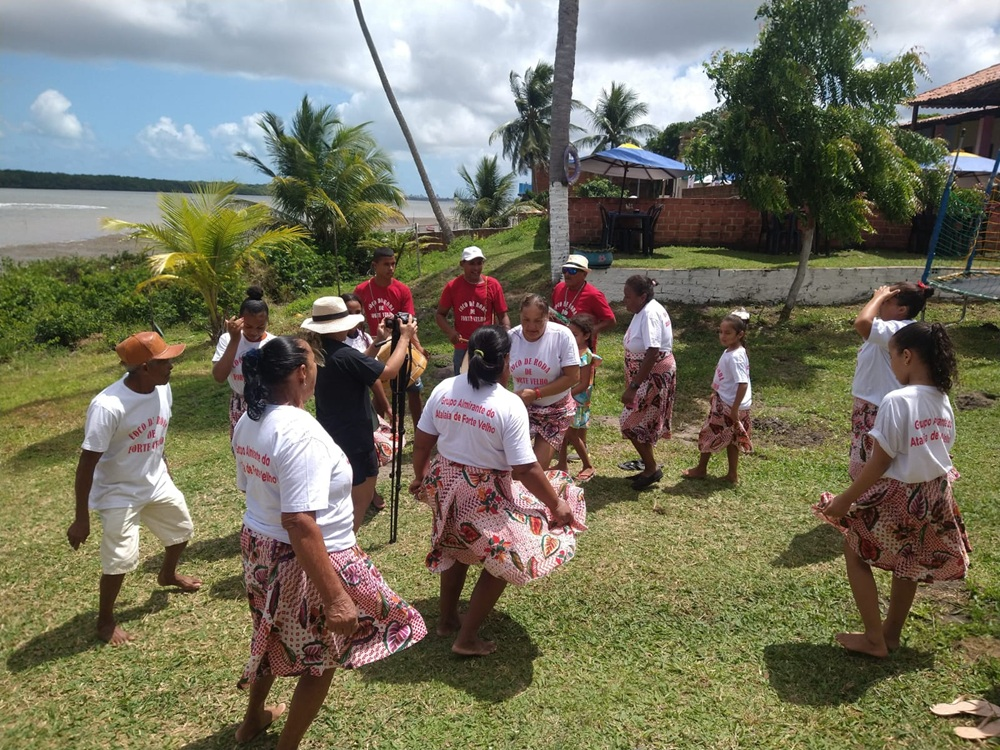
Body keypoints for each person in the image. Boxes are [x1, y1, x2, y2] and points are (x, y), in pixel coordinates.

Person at [233, 336, 426, 747]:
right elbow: (300, 522)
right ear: (302, 373)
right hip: (308, 554)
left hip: (260, 548)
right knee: (321, 659)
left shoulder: (250, 420)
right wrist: (337, 597)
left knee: (270, 632)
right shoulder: (300, 433)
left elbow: (251, 487)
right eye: (314, 362)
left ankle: (252, 720)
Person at [410, 325, 586, 656]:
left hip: (446, 484)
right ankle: (466, 639)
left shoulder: (444, 389)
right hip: (483, 492)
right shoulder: (507, 405)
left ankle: (447, 620)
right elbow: (526, 469)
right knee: (508, 555)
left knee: (454, 546)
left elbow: (422, 444)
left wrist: (421, 478)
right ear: (506, 361)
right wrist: (557, 505)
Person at [812, 322, 969, 658]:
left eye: (892, 356)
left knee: (855, 549)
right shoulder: (941, 399)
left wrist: (845, 500)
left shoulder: (897, 400)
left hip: (901, 494)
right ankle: (891, 634)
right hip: (936, 493)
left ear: (907, 356)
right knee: (908, 561)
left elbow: (881, 462)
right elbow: (945, 445)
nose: (892, 363)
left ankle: (873, 638)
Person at [66, 331, 201, 646]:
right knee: (120, 561)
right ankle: (105, 620)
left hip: (154, 481)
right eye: (164, 360)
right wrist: (81, 518)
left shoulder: (161, 388)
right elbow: (86, 464)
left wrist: (161, 459)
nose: (172, 365)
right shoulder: (108, 406)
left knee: (182, 530)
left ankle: (168, 575)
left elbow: (156, 429)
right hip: (118, 493)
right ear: (143, 366)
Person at [302, 296, 418, 530]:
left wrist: (378, 342)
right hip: (354, 431)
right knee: (363, 485)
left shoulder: (321, 351)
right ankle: (348, 538)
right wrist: (405, 338)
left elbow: (359, 364)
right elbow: (388, 372)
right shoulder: (344, 354)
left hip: (331, 427)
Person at [849, 283, 933, 479]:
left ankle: (867, 500)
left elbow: (862, 323)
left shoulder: (899, 329)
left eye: (886, 301)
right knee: (871, 460)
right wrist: (881, 299)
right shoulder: (890, 328)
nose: (880, 304)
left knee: (874, 464)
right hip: (872, 406)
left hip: (879, 408)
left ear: (901, 310)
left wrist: (875, 297)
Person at [353, 246, 426, 428]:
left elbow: (410, 322)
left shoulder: (402, 290)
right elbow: (356, 319)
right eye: (386, 264)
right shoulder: (362, 290)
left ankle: (420, 431)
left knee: (414, 389)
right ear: (374, 265)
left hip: (402, 344)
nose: (391, 268)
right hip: (377, 345)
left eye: (393, 264)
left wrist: (418, 346)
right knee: (380, 392)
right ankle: (378, 433)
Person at [508, 294, 581, 468]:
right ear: (519, 316)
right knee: (512, 466)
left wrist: (536, 394)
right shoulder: (512, 337)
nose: (531, 327)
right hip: (522, 409)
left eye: (538, 321)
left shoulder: (561, 336)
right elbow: (500, 372)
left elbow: (573, 377)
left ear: (547, 317)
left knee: (535, 468)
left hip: (555, 410)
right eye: (526, 320)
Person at [682, 309, 753, 483]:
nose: (723, 336)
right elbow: (727, 378)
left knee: (708, 433)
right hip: (735, 403)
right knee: (734, 439)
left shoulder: (734, 356)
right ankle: (732, 474)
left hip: (729, 406)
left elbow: (742, 383)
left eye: (728, 333)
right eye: (720, 332)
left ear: (740, 334)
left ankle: (701, 469)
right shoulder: (735, 351)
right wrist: (716, 392)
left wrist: (734, 409)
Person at [619, 275, 676, 490]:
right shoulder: (644, 310)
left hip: (652, 376)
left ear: (642, 296)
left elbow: (653, 351)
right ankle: (648, 467)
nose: (625, 300)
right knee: (641, 422)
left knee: (629, 421)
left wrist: (634, 387)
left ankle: (651, 468)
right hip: (647, 375)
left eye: (628, 297)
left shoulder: (650, 314)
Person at [435, 246, 510, 375]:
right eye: (471, 264)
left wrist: (506, 335)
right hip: (463, 347)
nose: (476, 268)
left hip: (487, 345)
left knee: (489, 385)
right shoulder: (453, 287)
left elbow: (502, 315)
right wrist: (450, 332)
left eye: (479, 263)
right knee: (462, 386)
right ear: (462, 264)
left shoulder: (492, 285)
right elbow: (440, 315)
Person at [211, 286, 274, 437]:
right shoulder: (227, 340)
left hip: (267, 402)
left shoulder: (273, 343)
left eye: (260, 327)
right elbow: (219, 376)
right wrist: (235, 340)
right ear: (240, 320)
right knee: (243, 451)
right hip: (239, 403)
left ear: (267, 321)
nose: (253, 332)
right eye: (248, 326)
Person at [555, 314, 602, 482]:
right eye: (570, 333)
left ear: (586, 336)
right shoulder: (569, 352)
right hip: (567, 398)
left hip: (577, 401)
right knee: (562, 433)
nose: (571, 338)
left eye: (575, 334)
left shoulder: (586, 356)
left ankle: (587, 465)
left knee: (572, 435)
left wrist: (565, 393)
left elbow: (583, 384)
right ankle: (561, 465)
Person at [550, 254, 616, 350]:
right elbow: (554, 310)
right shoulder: (558, 288)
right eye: (565, 270)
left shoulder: (593, 295)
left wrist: (592, 331)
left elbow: (610, 321)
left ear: (584, 274)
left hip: (581, 349)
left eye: (573, 271)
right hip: (558, 344)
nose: (567, 275)